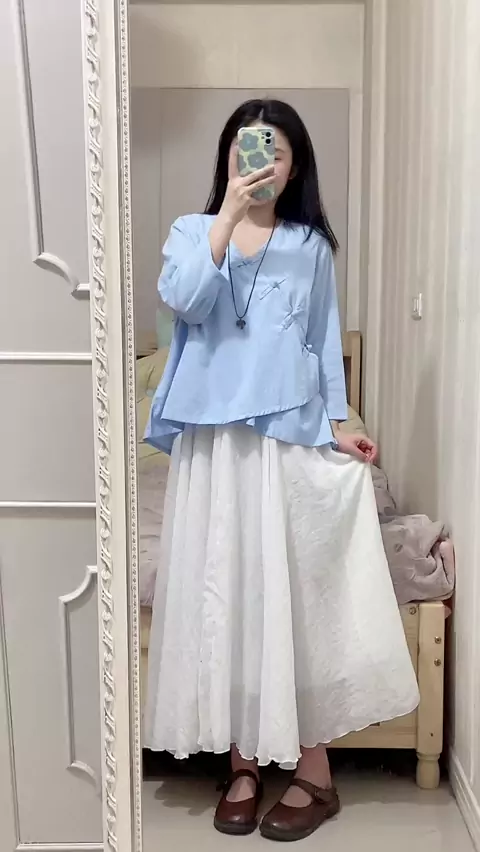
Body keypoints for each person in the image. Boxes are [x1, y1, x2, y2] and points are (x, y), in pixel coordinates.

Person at [144, 99, 419, 842]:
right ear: (229, 157)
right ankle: (241, 765)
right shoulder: (192, 232)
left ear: (294, 168)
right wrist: (229, 217)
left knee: (291, 592)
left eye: (273, 152)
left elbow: (324, 344)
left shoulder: (311, 247)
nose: (258, 162)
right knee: (224, 588)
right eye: (245, 148)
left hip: (287, 437)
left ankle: (314, 773)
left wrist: (340, 426)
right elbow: (183, 303)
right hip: (213, 443)